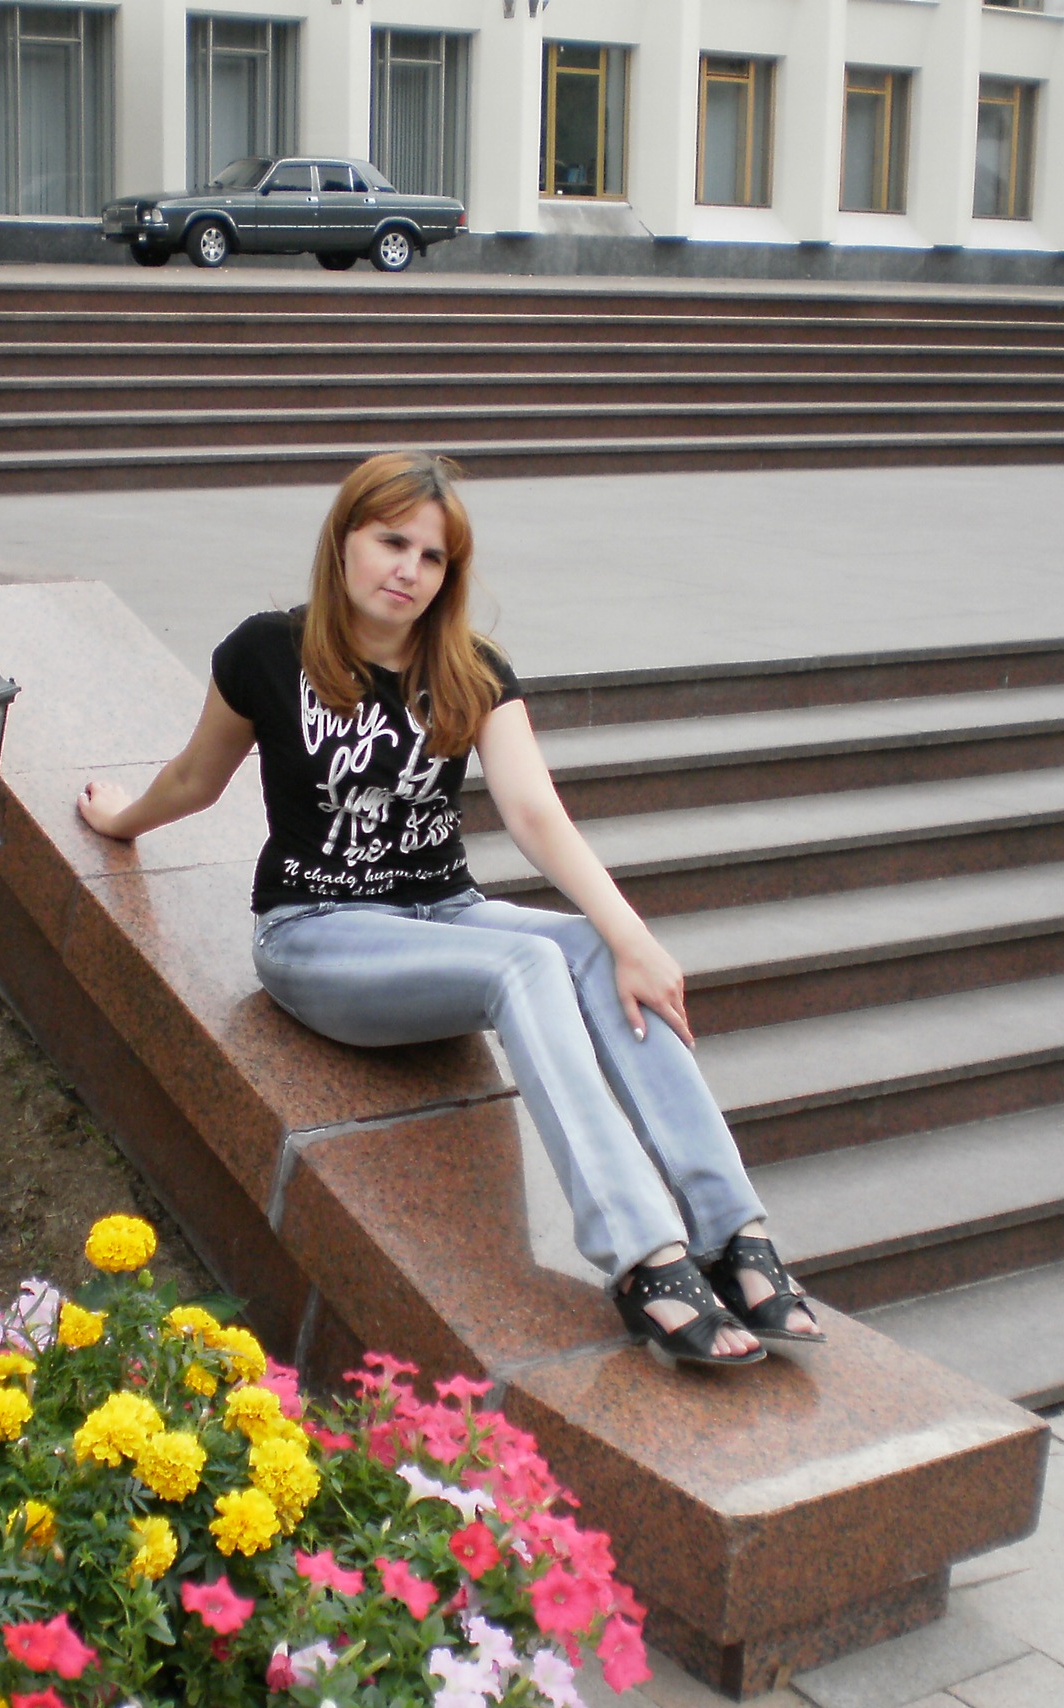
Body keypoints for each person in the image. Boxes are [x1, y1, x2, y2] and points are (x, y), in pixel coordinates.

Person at [75, 451, 821, 1370]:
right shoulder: (269, 652)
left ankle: (733, 1233)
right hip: (315, 931)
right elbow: (197, 777)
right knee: (529, 962)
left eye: (432, 557)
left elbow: (535, 812)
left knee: (592, 947)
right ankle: (643, 1257)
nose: (409, 571)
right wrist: (120, 820)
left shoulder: (470, 670)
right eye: (392, 543)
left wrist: (632, 937)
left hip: (446, 914)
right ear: (344, 541)